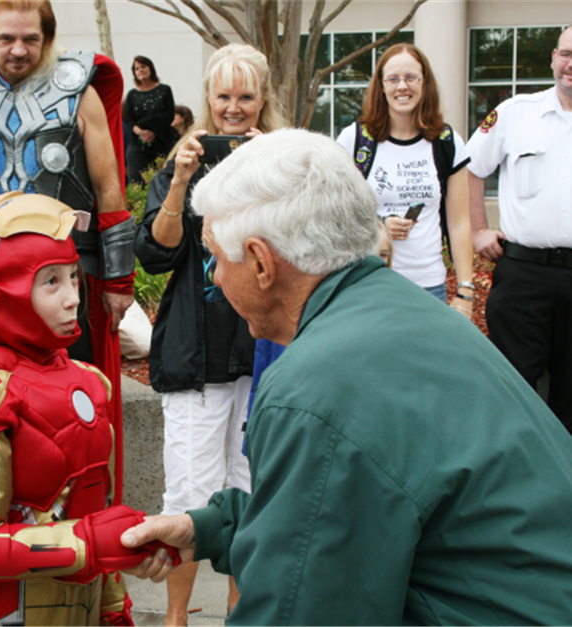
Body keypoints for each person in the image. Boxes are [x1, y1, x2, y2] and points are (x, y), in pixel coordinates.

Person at [122, 128, 572, 625]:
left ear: (261, 262)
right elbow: (353, 517)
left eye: (214, 261)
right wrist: (212, 527)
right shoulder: (409, 315)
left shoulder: (314, 388)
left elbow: (300, 607)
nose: (215, 278)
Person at [0, 192, 175, 627]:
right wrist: (92, 544)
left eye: (73, 277)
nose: (72, 298)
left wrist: (115, 603)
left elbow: (95, 505)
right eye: (50, 282)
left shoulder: (89, 381)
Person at [0, 0, 134, 504]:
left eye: (30, 39)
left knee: (71, 400)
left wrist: (117, 283)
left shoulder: (77, 89)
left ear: (47, 38)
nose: (18, 50)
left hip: (64, 280)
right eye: (6, 39)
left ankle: (81, 507)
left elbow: (110, 193)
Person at [133, 43, 284, 627]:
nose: (234, 108)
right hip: (195, 356)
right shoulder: (182, 160)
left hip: (264, 353)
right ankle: (174, 620)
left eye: (246, 96)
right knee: (190, 499)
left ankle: (240, 616)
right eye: (223, 96)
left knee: (252, 496)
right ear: (208, 99)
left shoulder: (280, 160)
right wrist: (181, 179)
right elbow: (154, 252)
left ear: (263, 98)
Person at [466, 25, 572, 430]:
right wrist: (478, 230)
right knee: (513, 384)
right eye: (566, 53)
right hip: (524, 275)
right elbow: (471, 170)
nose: (571, 64)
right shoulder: (515, 113)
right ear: (553, 57)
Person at [336, 43, 474, 316]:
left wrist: (465, 291)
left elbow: (459, 223)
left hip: (428, 287)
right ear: (381, 85)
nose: (402, 86)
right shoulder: (355, 140)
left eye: (411, 78)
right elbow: (337, 213)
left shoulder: (446, 142)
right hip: (369, 284)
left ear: (425, 83)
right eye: (393, 79)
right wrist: (380, 224)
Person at [123, 56, 175, 184]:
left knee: (164, 179)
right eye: (137, 68)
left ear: (150, 68)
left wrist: (153, 130)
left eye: (143, 67)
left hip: (162, 139)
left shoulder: (165, 90)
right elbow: (129, 119)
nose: (140, 70)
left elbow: (170, 115)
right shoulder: (132, 94)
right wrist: (141, 132)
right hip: (138, 141)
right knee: (137, 180)